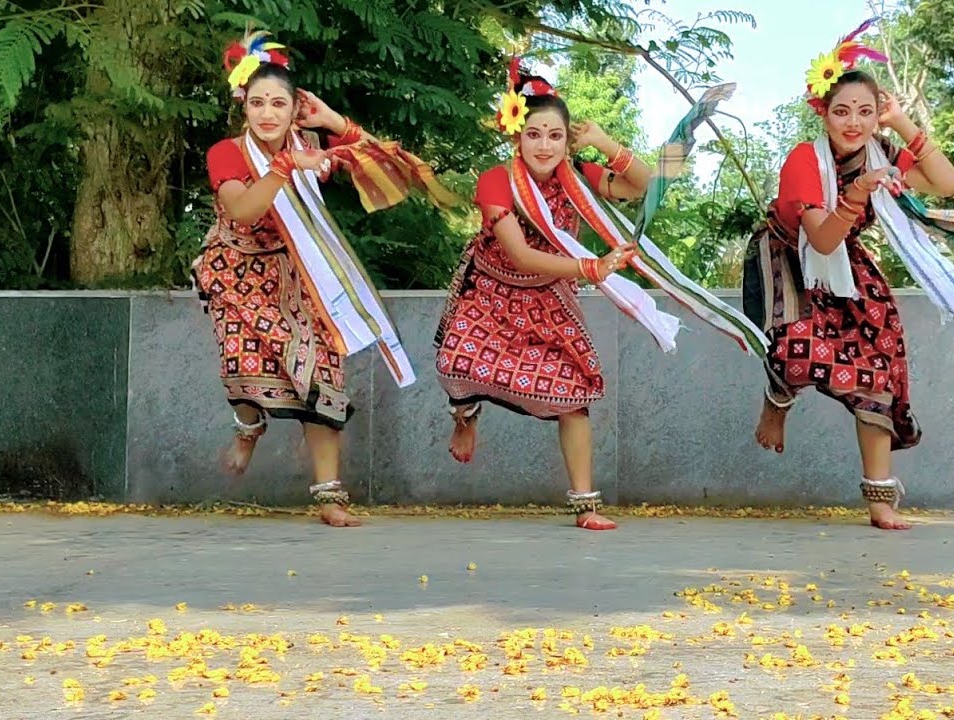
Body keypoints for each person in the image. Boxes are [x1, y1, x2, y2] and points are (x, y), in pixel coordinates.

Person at [741, 20, 954, 531]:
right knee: (796, 342)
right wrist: (858, 193)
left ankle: (879, 498)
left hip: (843, 255)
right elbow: (821, 240)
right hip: (789, 254)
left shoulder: (882, 151)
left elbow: (947, 183)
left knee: (878, 353)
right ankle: (777, 400)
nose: (854, 123)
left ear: (877, 116)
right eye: (842, 111)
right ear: (823, 113)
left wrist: (903, 124)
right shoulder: (805, 161)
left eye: (866, 112)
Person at [195, 29, 438, 527]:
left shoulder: (309, 146)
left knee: (320, 373)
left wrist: (333, 122)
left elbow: (390, 167)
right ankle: (248, 427)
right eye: (257, 102)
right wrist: (286, 165)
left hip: (305, 277)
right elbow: (243, 210)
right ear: (243, 105)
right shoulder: (228, 153)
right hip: (239, 274)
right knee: (242, 365)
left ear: (293, 108)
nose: (267, 113)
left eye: (278, 103)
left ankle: (329, 496)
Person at [433, 64, 659, 531]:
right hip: (492, 291)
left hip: (549, 297)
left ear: (566, 141)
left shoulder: (576, 179)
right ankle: (465, 417)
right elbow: (519, 254)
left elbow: (645, 185)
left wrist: (603, 141)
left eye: (555, 135)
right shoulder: (497, 181)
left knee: (573, 396)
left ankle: (584, 504)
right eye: (533, 133)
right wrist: (589, 269)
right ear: (517, 136)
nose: (544, 145)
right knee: (456, 367)